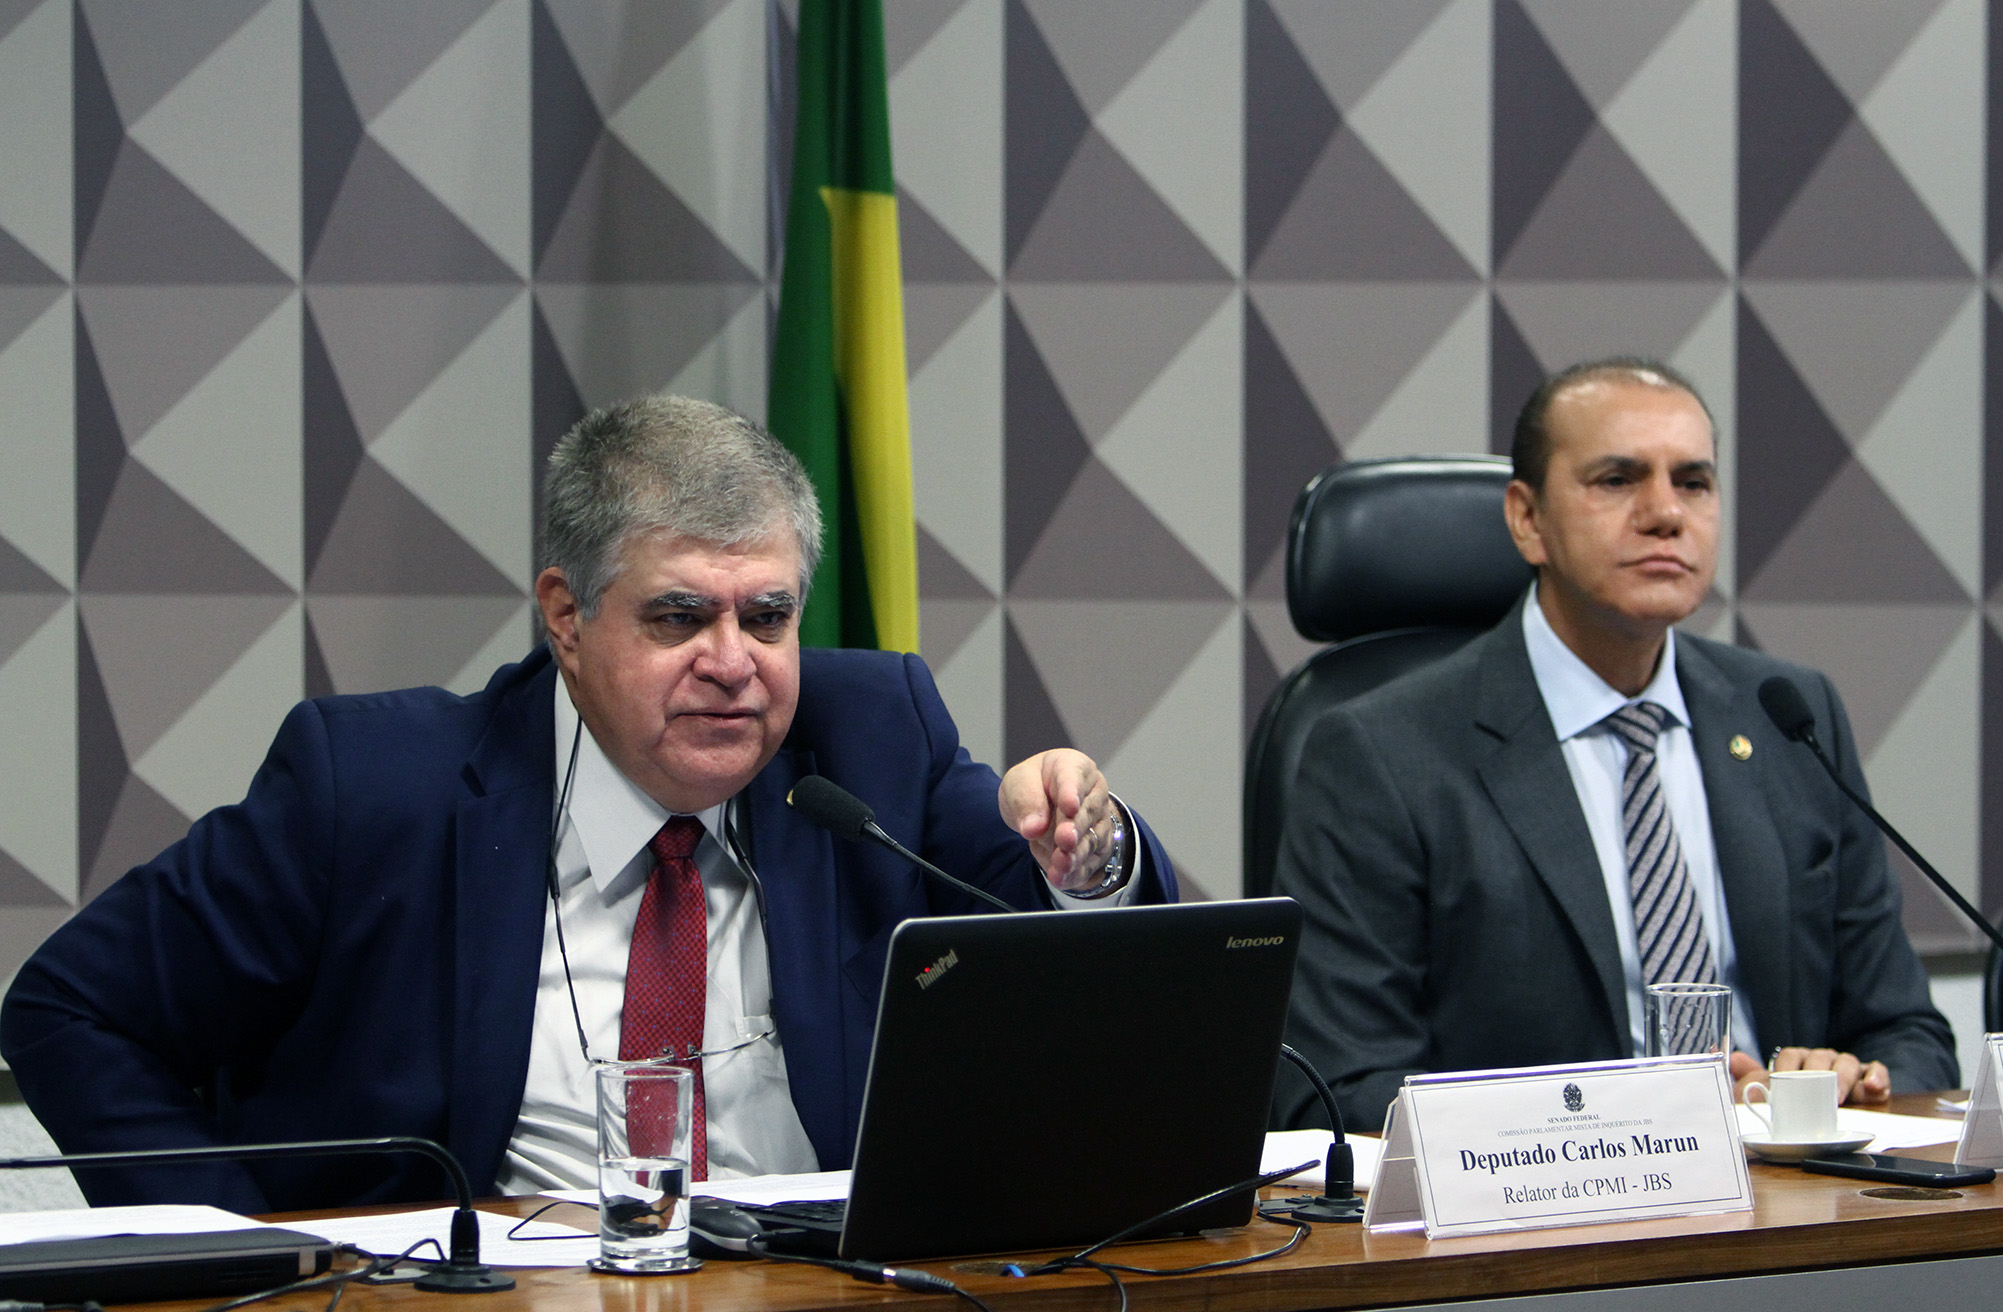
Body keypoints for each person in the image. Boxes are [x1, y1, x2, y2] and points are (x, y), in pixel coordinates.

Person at [1, 395, 1175, 1211]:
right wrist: (245, 1262)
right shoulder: (372, 790)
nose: (734, 660)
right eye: (678, 617)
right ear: (566, 616)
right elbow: (69, 1007)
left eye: (767, 616)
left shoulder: (868, 743)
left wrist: (1091, 852)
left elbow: (1084, 941)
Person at [1272, 358, 1955, 1134]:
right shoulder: (1381, 754)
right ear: (1526, 519)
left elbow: (1910, 1035)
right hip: (1543, 1227)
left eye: (1692, 482)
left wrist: (1848, 1082)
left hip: (1787, 1208)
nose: (1665, 513)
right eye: (1617, 480)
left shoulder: (1788, 719)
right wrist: (1637, 1122)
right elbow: (1338, 1086)